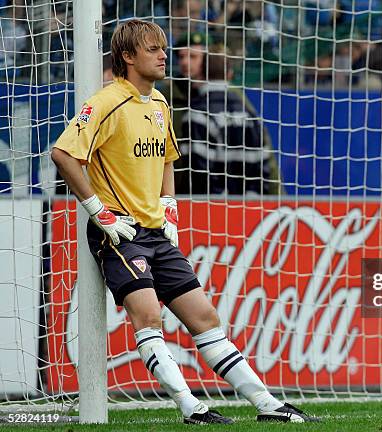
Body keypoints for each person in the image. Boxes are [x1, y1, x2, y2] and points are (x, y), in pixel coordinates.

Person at [51, 19, 317, 425]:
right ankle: (192, 407)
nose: (163, 55)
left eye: (163, 47)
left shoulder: (159, 103)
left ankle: (267, 404)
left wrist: (169, 205)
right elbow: (64, 155)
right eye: (153, 48)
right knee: (149, 318)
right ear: (127, 56)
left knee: (205, 319)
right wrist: (98, 212)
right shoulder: (106, 102)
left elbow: (167, 158)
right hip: (120, 233)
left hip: (156, 231)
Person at [175, 43, 281, 195]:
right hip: (247, 210)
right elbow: (263, 169)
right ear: (230, 74)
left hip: (209, 211)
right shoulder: (248, 113)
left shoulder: (197, 113)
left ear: (201, 73)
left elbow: (197, 174)